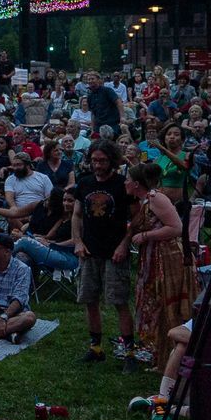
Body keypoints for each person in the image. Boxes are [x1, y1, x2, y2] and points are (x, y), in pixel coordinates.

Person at [123, 162, 195, 371]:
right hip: (153, 257)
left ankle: (173, 356)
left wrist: (146, 235)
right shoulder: (143, 200)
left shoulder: (156, 198)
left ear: (136, 184)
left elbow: (176, 227)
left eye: (127, 179)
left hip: (169, 259)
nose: (125, 182)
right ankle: (161, 355)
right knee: (154, 305)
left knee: (166, 305)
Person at [74, 141, 135, 364]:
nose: (97, 165)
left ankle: (129, 351)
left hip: (114, 250)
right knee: (90, 299)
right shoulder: (84, 183)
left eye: (102, 161)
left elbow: (136, 217)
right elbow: (77, 214)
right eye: (94, 160)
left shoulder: (122, 185)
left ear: (112, 161)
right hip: (89, 249)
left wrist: (124, 244)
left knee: (119, 301)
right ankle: (96, 348)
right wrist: (78, 241)